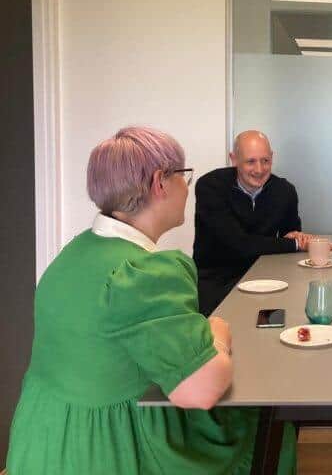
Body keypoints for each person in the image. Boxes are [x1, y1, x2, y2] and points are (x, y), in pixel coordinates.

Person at [7, 127, 295, 475]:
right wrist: (217, 333)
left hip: (43, 441)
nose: (187, 188)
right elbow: (201, 391)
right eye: (183, 176)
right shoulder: (144, 272)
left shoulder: (73, 254)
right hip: (116, 448)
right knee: (267, 419)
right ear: (161, 182)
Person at [194, 130, 313, 316]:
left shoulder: (285, 190)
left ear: (272, 157)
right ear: (234, 159)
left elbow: (290, 235)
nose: (259, 170)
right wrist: (295, 243)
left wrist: (295, 237)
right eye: (250, 161)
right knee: (222, 335)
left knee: (283, 324)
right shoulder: (210, 186)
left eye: (265, 161)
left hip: (266, 276)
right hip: (217, 280)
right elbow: (239, 244)